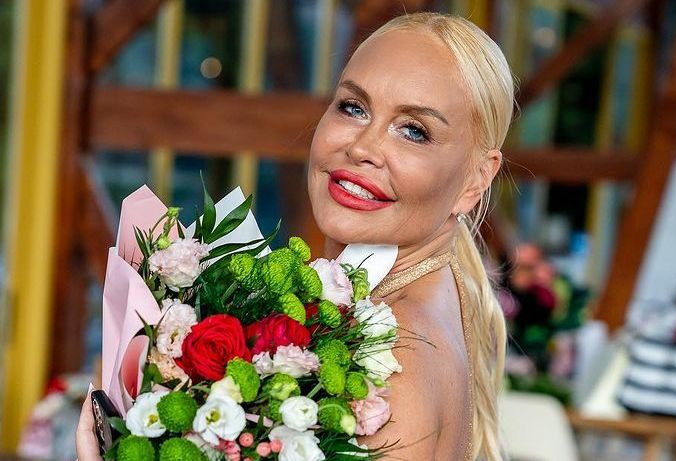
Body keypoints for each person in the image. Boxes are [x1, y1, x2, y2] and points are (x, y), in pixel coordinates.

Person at [77, 12, 514, 461]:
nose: (362, 147)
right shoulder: (400, 309)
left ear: (476, 180)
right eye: (353, 107)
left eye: (413, 131)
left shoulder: (398, 356)